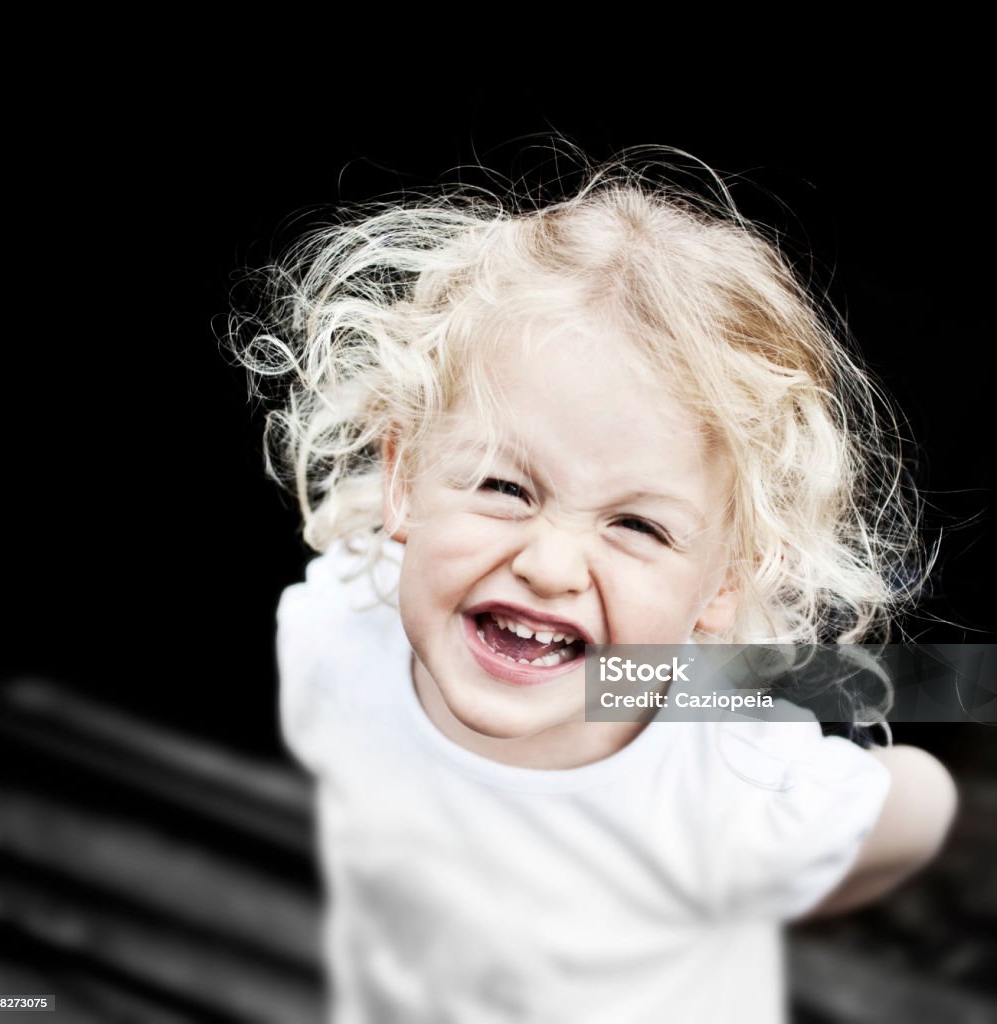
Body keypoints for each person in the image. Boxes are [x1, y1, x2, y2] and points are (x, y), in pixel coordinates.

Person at [240, 150, 958, 1023]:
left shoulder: (734, 780)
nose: (549, 565)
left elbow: (924, 806)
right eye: (505, 488)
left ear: (721, 587)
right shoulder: (331, 633)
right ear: (402, 479)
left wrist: (780, 885)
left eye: (637, 526)